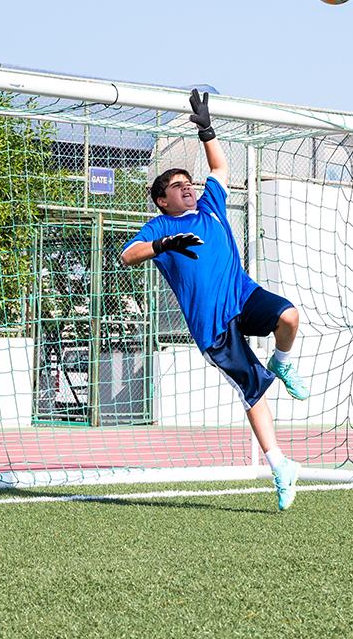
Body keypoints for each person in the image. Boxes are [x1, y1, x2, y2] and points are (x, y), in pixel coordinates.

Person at [120, 90, 310, 511]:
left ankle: (282, 360)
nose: (187, 189)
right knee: (254, 389)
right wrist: (164, 243)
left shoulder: (211, 205)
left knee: (290, 317)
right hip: (213, 326)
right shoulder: (156, 226)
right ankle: (280, 466)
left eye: (188, 183)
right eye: (176, 186)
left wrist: (207, 129)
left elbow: (220, 166)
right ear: (161, 199)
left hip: (242, 295)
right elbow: (127, 255)